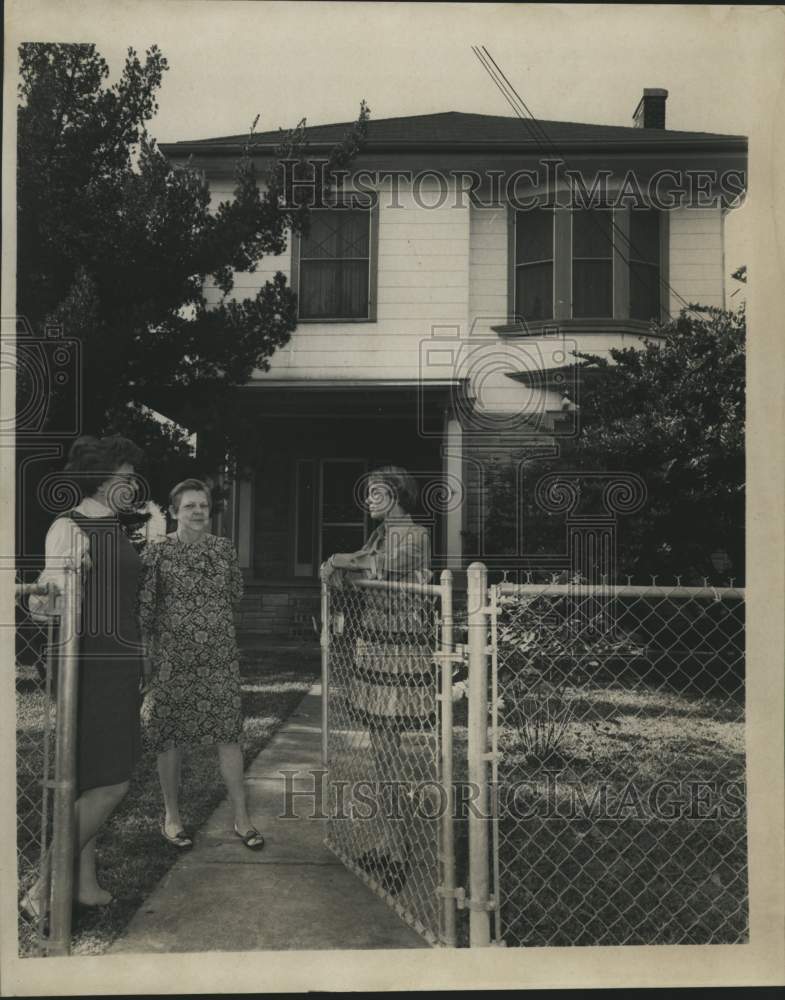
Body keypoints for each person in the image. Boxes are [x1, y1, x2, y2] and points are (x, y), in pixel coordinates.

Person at [24, 435, 147, 917]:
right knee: (112, 783)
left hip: (119, 661)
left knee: (89, 778)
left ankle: (84, 885)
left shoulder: (114, 526)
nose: (134, 485)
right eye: (126, 478)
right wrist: (65, 581)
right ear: (101, 478)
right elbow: (41, 605)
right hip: (88, 665)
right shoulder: (68, 527)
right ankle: (41, 888)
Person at [320, 465, 433, 896]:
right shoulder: (382, 532)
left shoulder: (413, 534)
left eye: (377, 492)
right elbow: (359, 570)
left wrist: (336, 561)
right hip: (376, 641)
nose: (368, 499)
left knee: (389, 755)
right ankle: (390, 842)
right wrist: (346, 565)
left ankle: (399, 852)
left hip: (398, 651)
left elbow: (373, 567)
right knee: (382, 752)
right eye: (367, 493)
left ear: (399, 494)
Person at [137, 479, 264, 851]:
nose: (197, 512)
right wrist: (145, 664)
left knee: (229, 735)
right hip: (171, 661)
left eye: (203, 506)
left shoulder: (224, 550)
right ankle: (172, 817)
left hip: (219, 660)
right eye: (189, 505)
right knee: (169, 735)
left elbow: (235, 593)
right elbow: (144, 611)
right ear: (174, 511)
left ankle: (242, 818)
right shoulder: (156, 553)